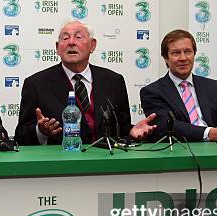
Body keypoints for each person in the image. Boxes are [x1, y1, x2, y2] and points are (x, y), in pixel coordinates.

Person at [15, 21, 156, 146]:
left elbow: (121, 127)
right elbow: (20, 136)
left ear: (92, 45)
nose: (71, 42)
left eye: (78, 37)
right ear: (57, 48)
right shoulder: (36, 84)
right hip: (60, 166)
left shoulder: (114, 81)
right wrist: (41, 131)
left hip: (107, 164)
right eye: (65, 38)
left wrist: (132, 130)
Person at [140, 29, 217, 142]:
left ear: (194, 54)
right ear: (166, 58)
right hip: (180, 150)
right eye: (176, 53)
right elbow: (166, 125)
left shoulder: (213, 86)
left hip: (216, 149)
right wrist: (209, 133)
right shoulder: (152, 91)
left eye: (187, 52)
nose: (183, 58)